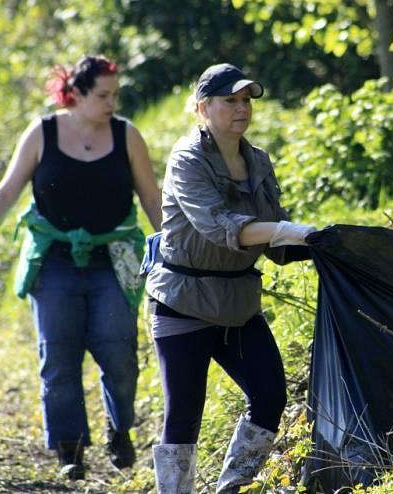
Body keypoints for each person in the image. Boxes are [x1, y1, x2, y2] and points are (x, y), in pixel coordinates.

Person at [0, 55, 162, 479]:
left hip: (113, 259)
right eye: (103, 95)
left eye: (116, 95)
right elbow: (8, 188)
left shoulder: (127, 135)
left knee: (120, 353)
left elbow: (151, 197)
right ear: (78, 93)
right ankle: (70, 449)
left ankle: (120, 428)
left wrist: (176, 250)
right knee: (59, 357)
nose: (111, 103)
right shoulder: (43, 133)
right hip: (53, 262)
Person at [144, 63, 315, 493]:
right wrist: (280, 230)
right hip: (183, 298)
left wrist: (317, 243)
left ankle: (232, 487)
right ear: (203, 107)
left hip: (237, 303)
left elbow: (275, 235)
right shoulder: (187, 159)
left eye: (246, 101)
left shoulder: (258, 160)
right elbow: (220, 225)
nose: (241, 109)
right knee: (183, 414)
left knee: (271, 396)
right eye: (229, 101)